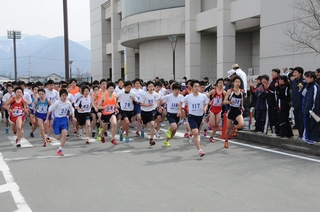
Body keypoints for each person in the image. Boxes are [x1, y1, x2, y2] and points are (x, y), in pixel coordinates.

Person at [178, 80, 209, 157]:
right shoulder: (188, 97)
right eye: (195, 86)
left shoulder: (203, 96)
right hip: (192, 116)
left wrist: (205, 108)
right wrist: (179, 110)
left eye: (198, 86)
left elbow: (206, 103)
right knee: (195, 132)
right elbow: (180, 102)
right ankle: (200, 150)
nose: (197, 88)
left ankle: (190, 134)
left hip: (200, 116)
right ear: (192, 87)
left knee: (196, 131)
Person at [46, 89, 76, 156]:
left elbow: (72, 111)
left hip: (64, 119)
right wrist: (47, 119)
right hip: (57, 120)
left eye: (65, 95)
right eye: (63, 95)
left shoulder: (68, 103)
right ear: (60, 96)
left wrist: (73, 117)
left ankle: (60, 149)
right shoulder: (57, 103)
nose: (64, 97)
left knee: (65, 134)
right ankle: (54, 134)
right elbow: (50, 109)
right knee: (58, 137)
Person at [223, 76, 245, 148]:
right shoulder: (230, 91)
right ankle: (226, 141)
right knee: (227, 129)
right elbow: (224, 101)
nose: (238, 83)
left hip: (238, 111)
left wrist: (242, 106)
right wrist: (230, 102)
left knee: (242, 124)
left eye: (239, 82)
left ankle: (235, 127)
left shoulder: (241, 91)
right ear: (233, 82)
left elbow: (241, 100)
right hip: (231, 111)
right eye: (236, 82)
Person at [161, 82, 184, 147]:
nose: (177, 91)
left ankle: (166, 141)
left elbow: (183, 105)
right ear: (173, 90)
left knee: (174, 132)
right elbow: (160, 99)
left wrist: (180, 110)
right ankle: (169, 130)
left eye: (178, 90)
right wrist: (160, 107)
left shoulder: (181, 97)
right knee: (174, 126)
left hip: (177, 115)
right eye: (176, 90)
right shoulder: (169, 96)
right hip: (170, 114)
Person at [140, 81, 161, 146]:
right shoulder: (144, 94)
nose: (151, 88)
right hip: (144, 111)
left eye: (152, 86)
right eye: (149, 87)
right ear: (147, 87)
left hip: (151, 111)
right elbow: (141, 104)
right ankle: (142, 128)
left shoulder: (156, 94)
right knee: (145, 124)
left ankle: (151, 139)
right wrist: (147, 105)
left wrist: (159, 107)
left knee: (152, 124)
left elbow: (158, 102)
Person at [302, 71, 320, 144]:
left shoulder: (316, 86)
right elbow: (304, 95)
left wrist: (313, 109)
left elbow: (316, 99)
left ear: (312, 78)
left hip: (313, 110)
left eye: (307, 77)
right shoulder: (307, 86)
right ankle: (308, 138)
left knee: (313, 125)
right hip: (307, 109)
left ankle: (314, 138)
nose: (305, 78)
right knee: (307, 124)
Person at [206, 78, 225, 142]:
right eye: (219, 83)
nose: (221, 84)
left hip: (219, 109)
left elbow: (227, 98)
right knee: (212, 124)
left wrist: (224, 102)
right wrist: (208, 100)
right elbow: (207, 94)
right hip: (212, 109)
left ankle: (212, 137)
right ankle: (207, 126)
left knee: (217, 124)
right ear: (217, 84)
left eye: (222, 83)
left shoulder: (224, 92)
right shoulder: (214, 91)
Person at [291, 67, 305, 139]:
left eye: (296, 72)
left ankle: (303, 135)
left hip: (302, 104)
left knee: (301, 120)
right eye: (294, 72)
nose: (294, 74)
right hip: (295, 104)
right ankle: (300, 134)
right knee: (297, 120)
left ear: (300, 73)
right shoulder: (293, 82)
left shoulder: (304, 81)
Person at [267, 68, 280, 135]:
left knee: (275, 116)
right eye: (272, 72)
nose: (273, 73)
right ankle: (272, 129)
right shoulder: (272, 81)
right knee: (271, 116)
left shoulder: (278, 81)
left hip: (275, 101)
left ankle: (276, 130)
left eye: (274, 72)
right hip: (270, 101)